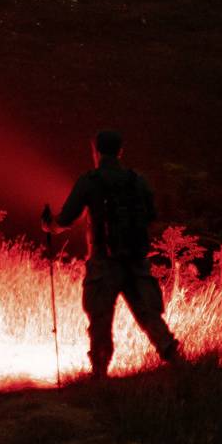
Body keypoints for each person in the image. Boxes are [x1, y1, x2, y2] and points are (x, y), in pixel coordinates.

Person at [45, 129, 182, 379]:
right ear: (121, 151)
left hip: (103, 263)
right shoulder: (137, 180)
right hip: (137, 261)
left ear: (96, 151)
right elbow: (152, 215)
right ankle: (179, 364)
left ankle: (99, 375)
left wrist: (49, 225)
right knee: (149, 316)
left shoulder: (90, 181)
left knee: (100, 319)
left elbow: (65, 219)